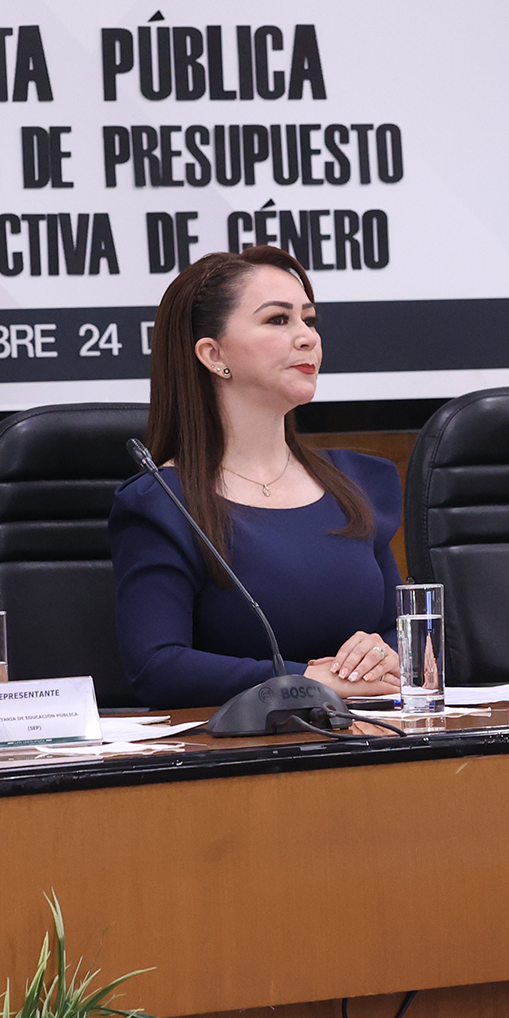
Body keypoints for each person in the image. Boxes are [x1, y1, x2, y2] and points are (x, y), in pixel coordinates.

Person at [109, 246, 404, 709]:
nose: (307, 338)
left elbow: (402, 633)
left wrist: (383, 654)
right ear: (213, 354)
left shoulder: (359, 482)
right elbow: (157, 666)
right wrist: (305, 680)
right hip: (239, 748)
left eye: (309, 320)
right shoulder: (163, 502)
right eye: (278, 320)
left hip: (370, 735)